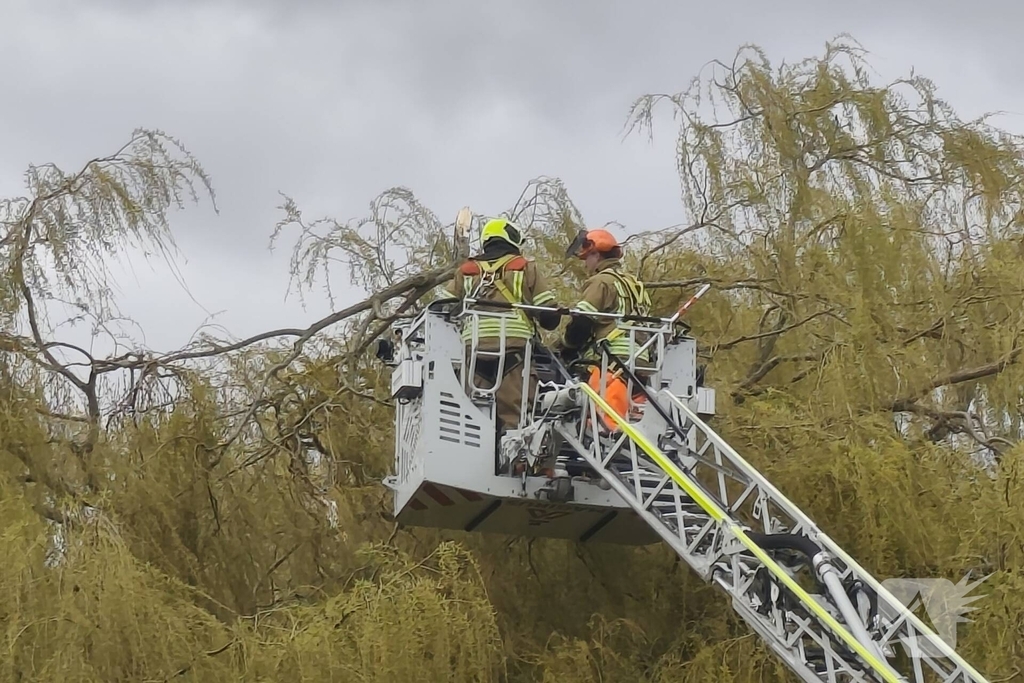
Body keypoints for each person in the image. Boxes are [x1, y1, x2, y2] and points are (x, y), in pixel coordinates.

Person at [446, 217, 561, 434]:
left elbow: (442, 309)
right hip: (514, 354)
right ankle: (517, 463)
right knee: (516, 419)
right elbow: (549, 315)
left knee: (473, 416)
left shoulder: (466, 271)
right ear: (511, 238)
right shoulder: (525, 268)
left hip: (474, 355)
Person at [558, 227, 653, 431]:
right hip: (641, 362)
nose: (585, 264)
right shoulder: (633, 284)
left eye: (586, 258)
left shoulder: (601, 282)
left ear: (596, 254)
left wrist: (565, 346)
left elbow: (581, 324)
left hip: (614, 363)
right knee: (625, 425)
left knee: (603, 429)